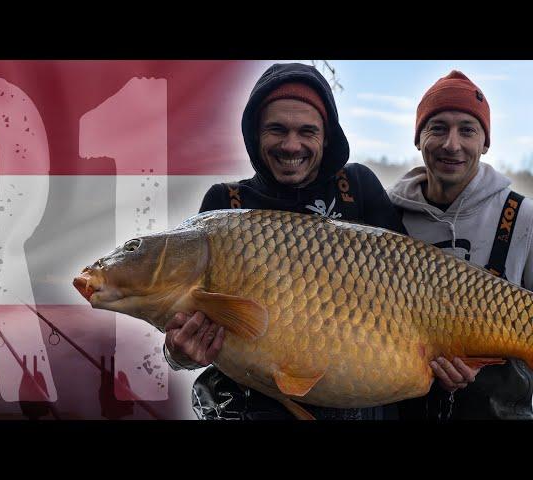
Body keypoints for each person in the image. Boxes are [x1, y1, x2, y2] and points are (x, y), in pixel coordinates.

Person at [163, 62, 407, 420]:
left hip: (356, 397)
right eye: (276, 129)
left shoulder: (357, 187)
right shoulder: (224, 207)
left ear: (327, 136)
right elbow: (182, 331)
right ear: (254, 134)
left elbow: (417, 288)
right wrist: (178, 354)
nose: (291, 145)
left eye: (307, 131)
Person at [388, 70, 533, 420]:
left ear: (485, 143)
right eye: (437, 128)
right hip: (404, 403)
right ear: (418, 138)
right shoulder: (387, 215)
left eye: (467, 130)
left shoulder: (523, 216)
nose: (452, 144)